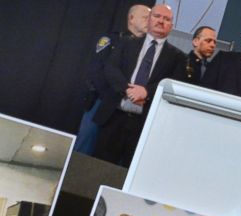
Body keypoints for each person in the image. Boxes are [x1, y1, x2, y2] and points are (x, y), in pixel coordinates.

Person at [92, 4, 186, 168]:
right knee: (98, 168)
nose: (161, 21)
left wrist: (146, 92)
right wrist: (127, 90)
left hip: (144, 125)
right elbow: (111, 68)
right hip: (114, 117)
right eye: (157, 16)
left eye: (167, 19)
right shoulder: (126, 43)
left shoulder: (178, 57)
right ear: (149, 20)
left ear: (172, 26)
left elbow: (175, 84)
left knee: (128, 173)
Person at [75, 4, 151, 155]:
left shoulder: (148, 49)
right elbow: (96, 71)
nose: (149, 21)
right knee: (85, 147)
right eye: (145, 17)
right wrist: (113, 97)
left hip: (128, 109)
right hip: (102, 101)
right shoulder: (111, 40)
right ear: (131, 18)